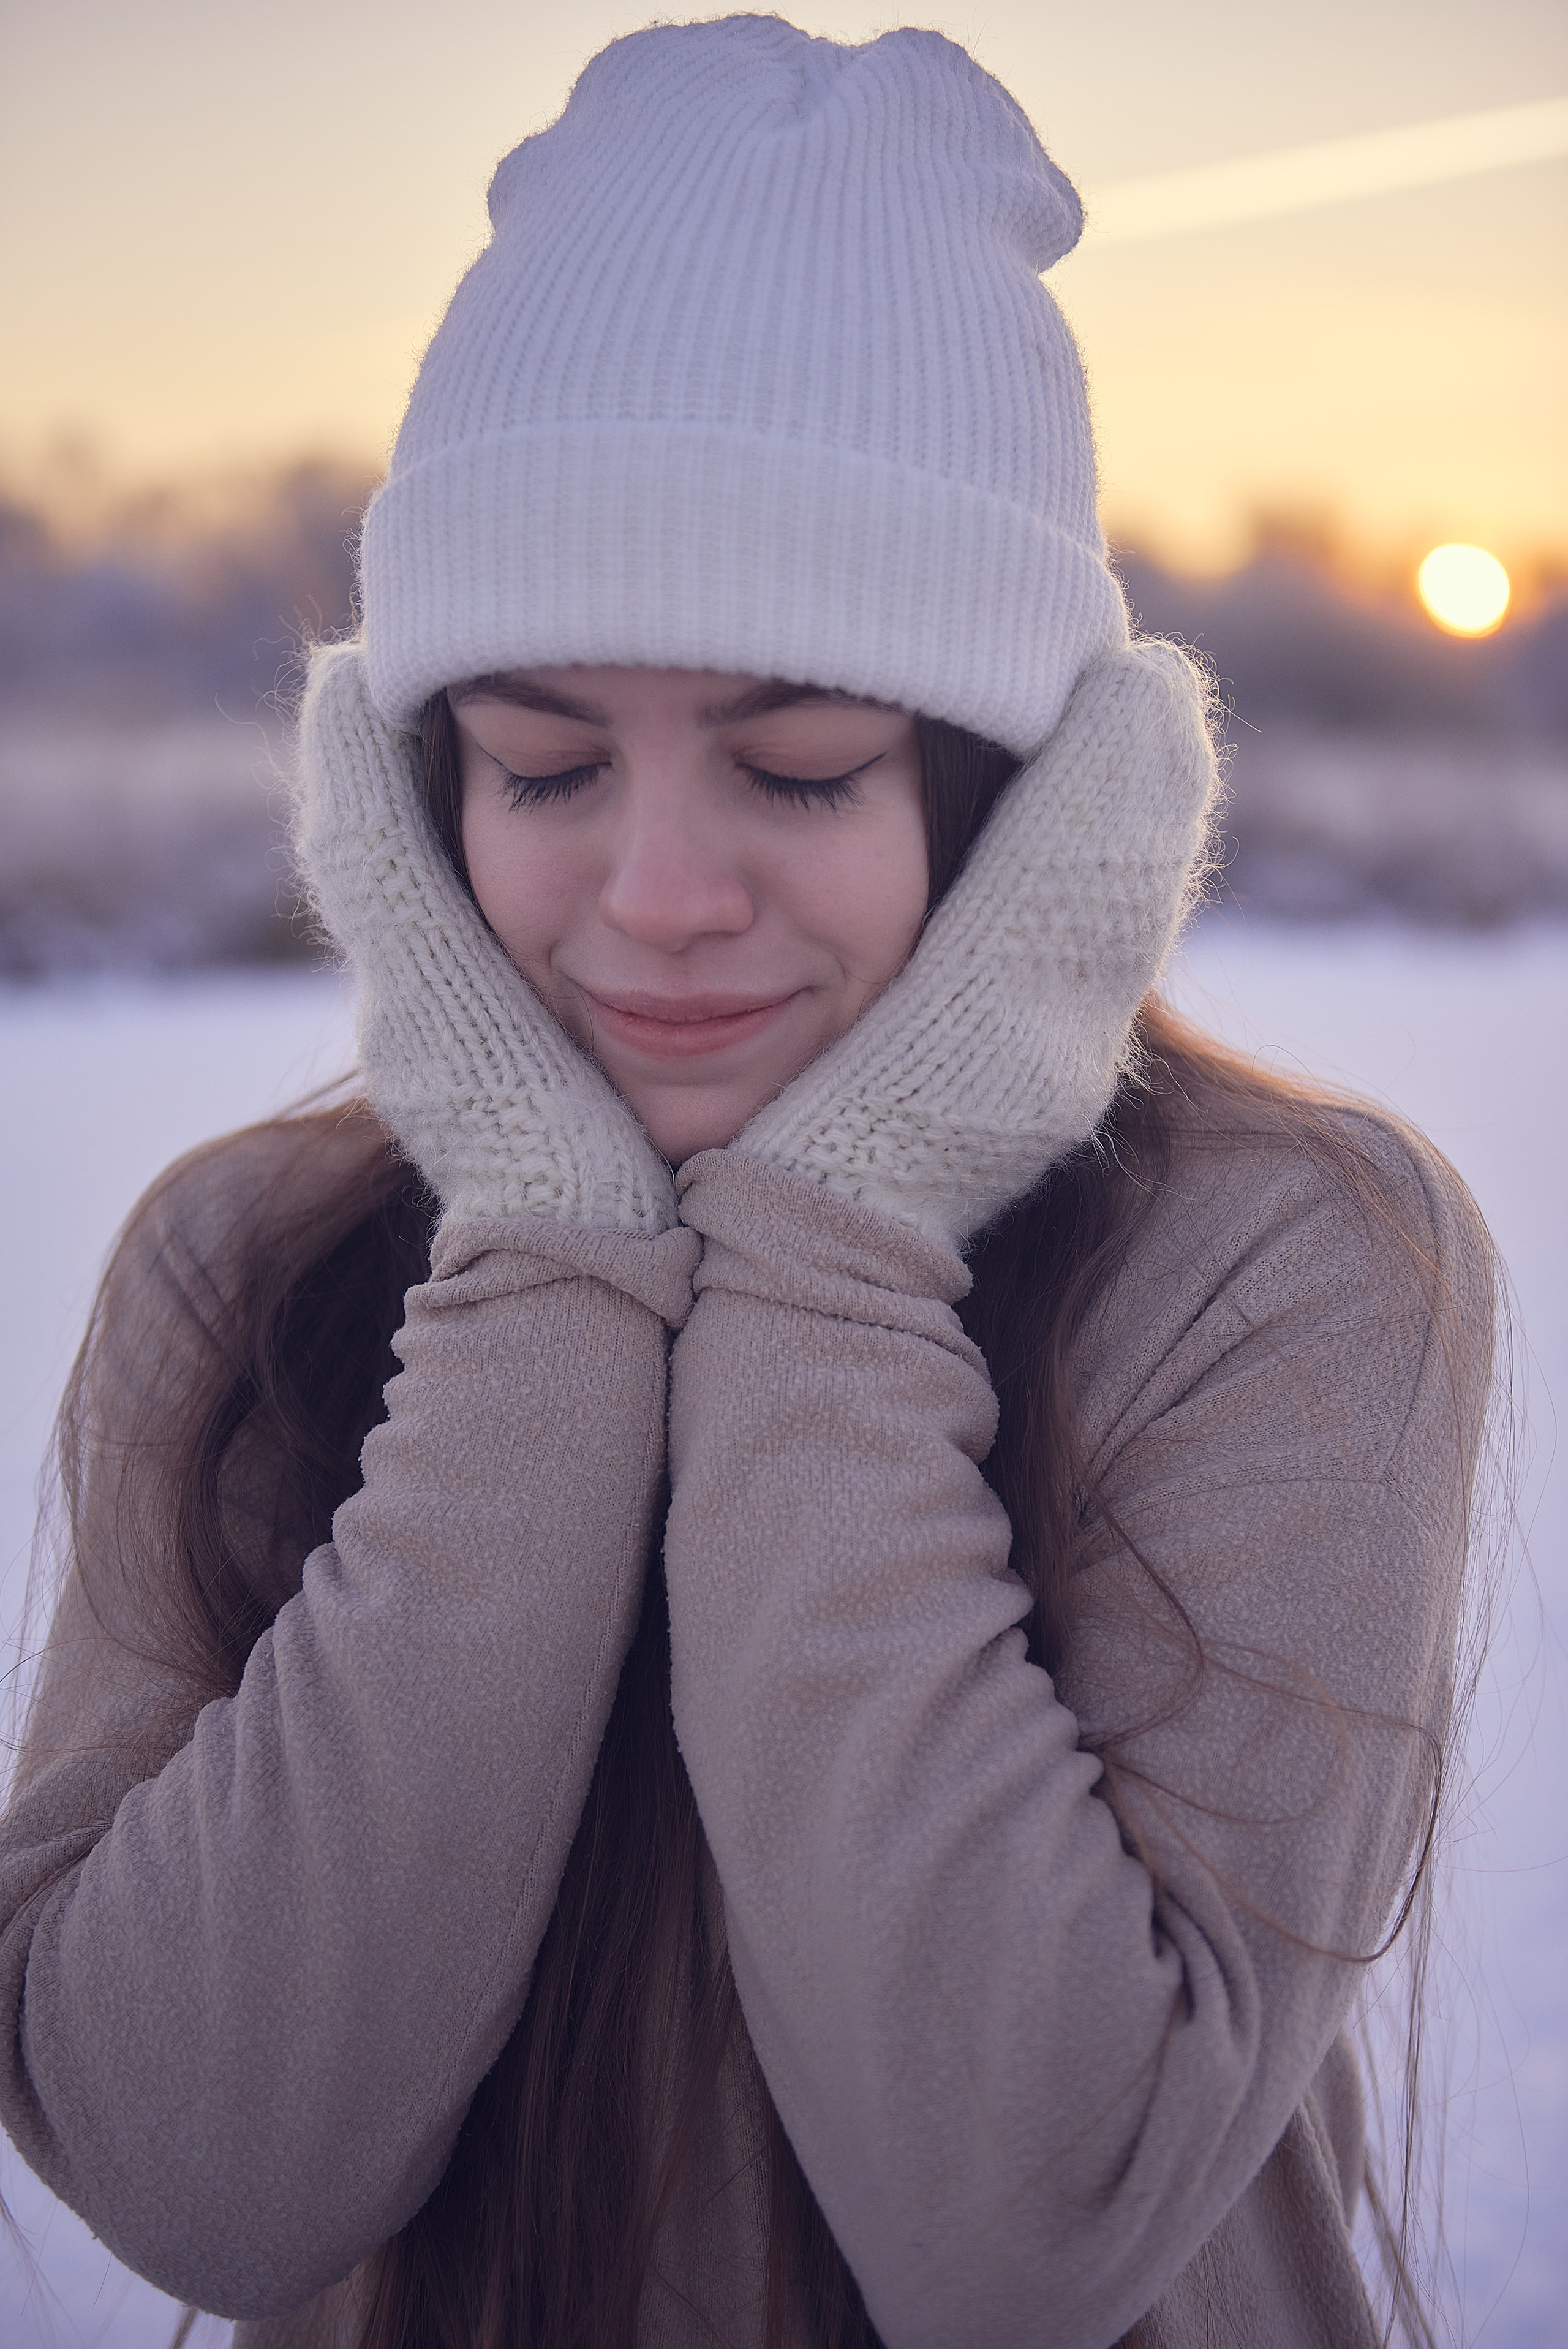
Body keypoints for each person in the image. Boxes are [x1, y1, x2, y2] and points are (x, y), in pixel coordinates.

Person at [0, 17, 1494, 2349]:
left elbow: (1026, 2223)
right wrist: (549, 1269)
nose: (659, 890)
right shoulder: (242, 1265)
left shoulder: (1288, 1256)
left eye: (796, 769)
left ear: (1017, 804)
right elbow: (204, 2162)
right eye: (545, 762)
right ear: (408, 797)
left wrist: (836, 1246)